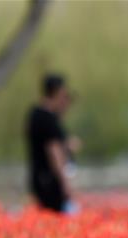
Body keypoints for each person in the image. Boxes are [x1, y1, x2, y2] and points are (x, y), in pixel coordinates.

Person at [26, 74, 79, 213]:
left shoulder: (35, 114)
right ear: (56, 93)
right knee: (55, 217)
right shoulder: (48, 119)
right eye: (63, 95)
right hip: (50, 180)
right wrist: (65, 183)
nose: (64, 101)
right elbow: (54, 151)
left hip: (38, 178)